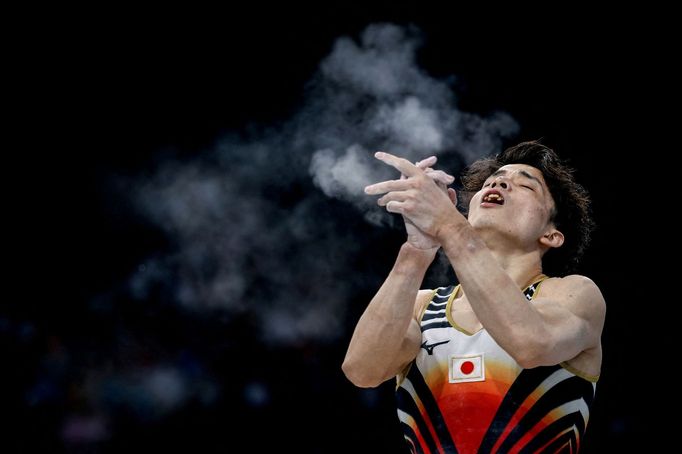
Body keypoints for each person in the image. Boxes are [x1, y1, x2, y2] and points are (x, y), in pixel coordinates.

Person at [342, 141, 605, 453]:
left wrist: (449, 227)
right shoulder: (423, 307)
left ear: (550, 234)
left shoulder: (573, 294)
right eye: (493, 181)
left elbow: (531, 342)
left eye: (525, 185)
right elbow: (362, 371)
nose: (498, 181)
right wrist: (417, 251)